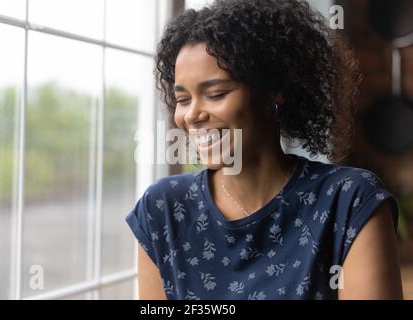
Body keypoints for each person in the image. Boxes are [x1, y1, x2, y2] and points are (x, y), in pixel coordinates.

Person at [125, 0, 403, 299]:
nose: (192, 114)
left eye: (216, 93)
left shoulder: (350, 201)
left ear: (274, 91)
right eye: (182, 99)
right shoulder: (162, 209)